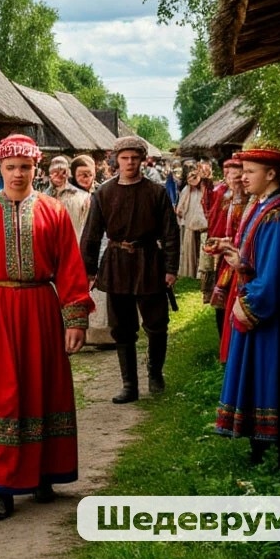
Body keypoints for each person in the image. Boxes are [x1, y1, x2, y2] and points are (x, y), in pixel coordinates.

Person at [0, 134, 93, 521]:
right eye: (11, 168)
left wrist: (75, 318)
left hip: (41, 310)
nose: (18, 174)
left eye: (25, 167)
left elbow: (71, 270)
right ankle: (0, 488)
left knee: (40, 390)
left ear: (35, 169)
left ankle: (44, 473)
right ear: (1, 169)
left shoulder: (54, 212)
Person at [208, 146, 280, 467]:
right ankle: (259, 444)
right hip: (256, 299)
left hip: (270, 312)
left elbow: (276, 274)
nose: (243, 176)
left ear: (271, 174)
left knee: (273, 373)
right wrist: (239, 257)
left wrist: (248, 305)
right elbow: (259, 260)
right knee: (258, 374)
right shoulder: (263, 205)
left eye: (250, 171)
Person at [80, 135, 180, 403]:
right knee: (122, 328)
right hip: (117, 263)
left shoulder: (156, 193)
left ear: (143, 160)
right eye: (125, 158)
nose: (130, 162)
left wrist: (171, 268)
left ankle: (155, 373)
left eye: (135, 158)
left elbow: (171, 233)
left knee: (157, 324)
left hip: (149, 261)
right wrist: (88, 270)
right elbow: (91, 234)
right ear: (117, 159)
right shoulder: (104, 193)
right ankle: (129, 385)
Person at [205, 156, 247, 343]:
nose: (232, 180)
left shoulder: (251, 200)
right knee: (222, 304)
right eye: (229, 175)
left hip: (243, 258)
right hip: (225, 259)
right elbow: (213, 218)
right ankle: (225, 343)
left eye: (237, 177)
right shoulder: (223, 195)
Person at [175, 166, 209, 280]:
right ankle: (191, 272)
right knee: (190, 249)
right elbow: (180, 209)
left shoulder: (205, 191)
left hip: (204, 225)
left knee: (201, 249)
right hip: (190, 224)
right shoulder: (187, 191)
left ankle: (200, 273)